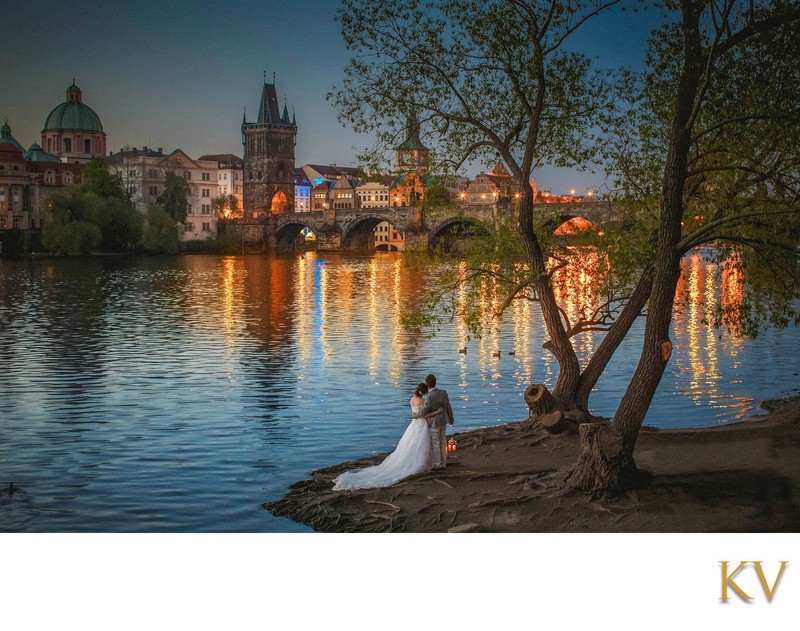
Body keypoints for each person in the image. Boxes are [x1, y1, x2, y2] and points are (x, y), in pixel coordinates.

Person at [332, 383, 441, 491]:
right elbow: (423, 415)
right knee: (420, 444)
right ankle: (421, 463)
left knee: (411, 443)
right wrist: (437, 412)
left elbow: (415, 413)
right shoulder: (422, 401)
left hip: (413, 424)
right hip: (421, 424)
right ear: (424, 392)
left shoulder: (412, 399)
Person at [418, 373, 454, 470]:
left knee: (435, 444)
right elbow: (448, 407)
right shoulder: (444, 392)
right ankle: (443, 463)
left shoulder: (429, 397)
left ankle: (437, 465)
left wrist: (415, 414)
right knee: (443, 442)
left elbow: (424, 411)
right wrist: (451, 419)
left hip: (434, 423)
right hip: (443, 421)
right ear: (435, 382)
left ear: (427, 384)